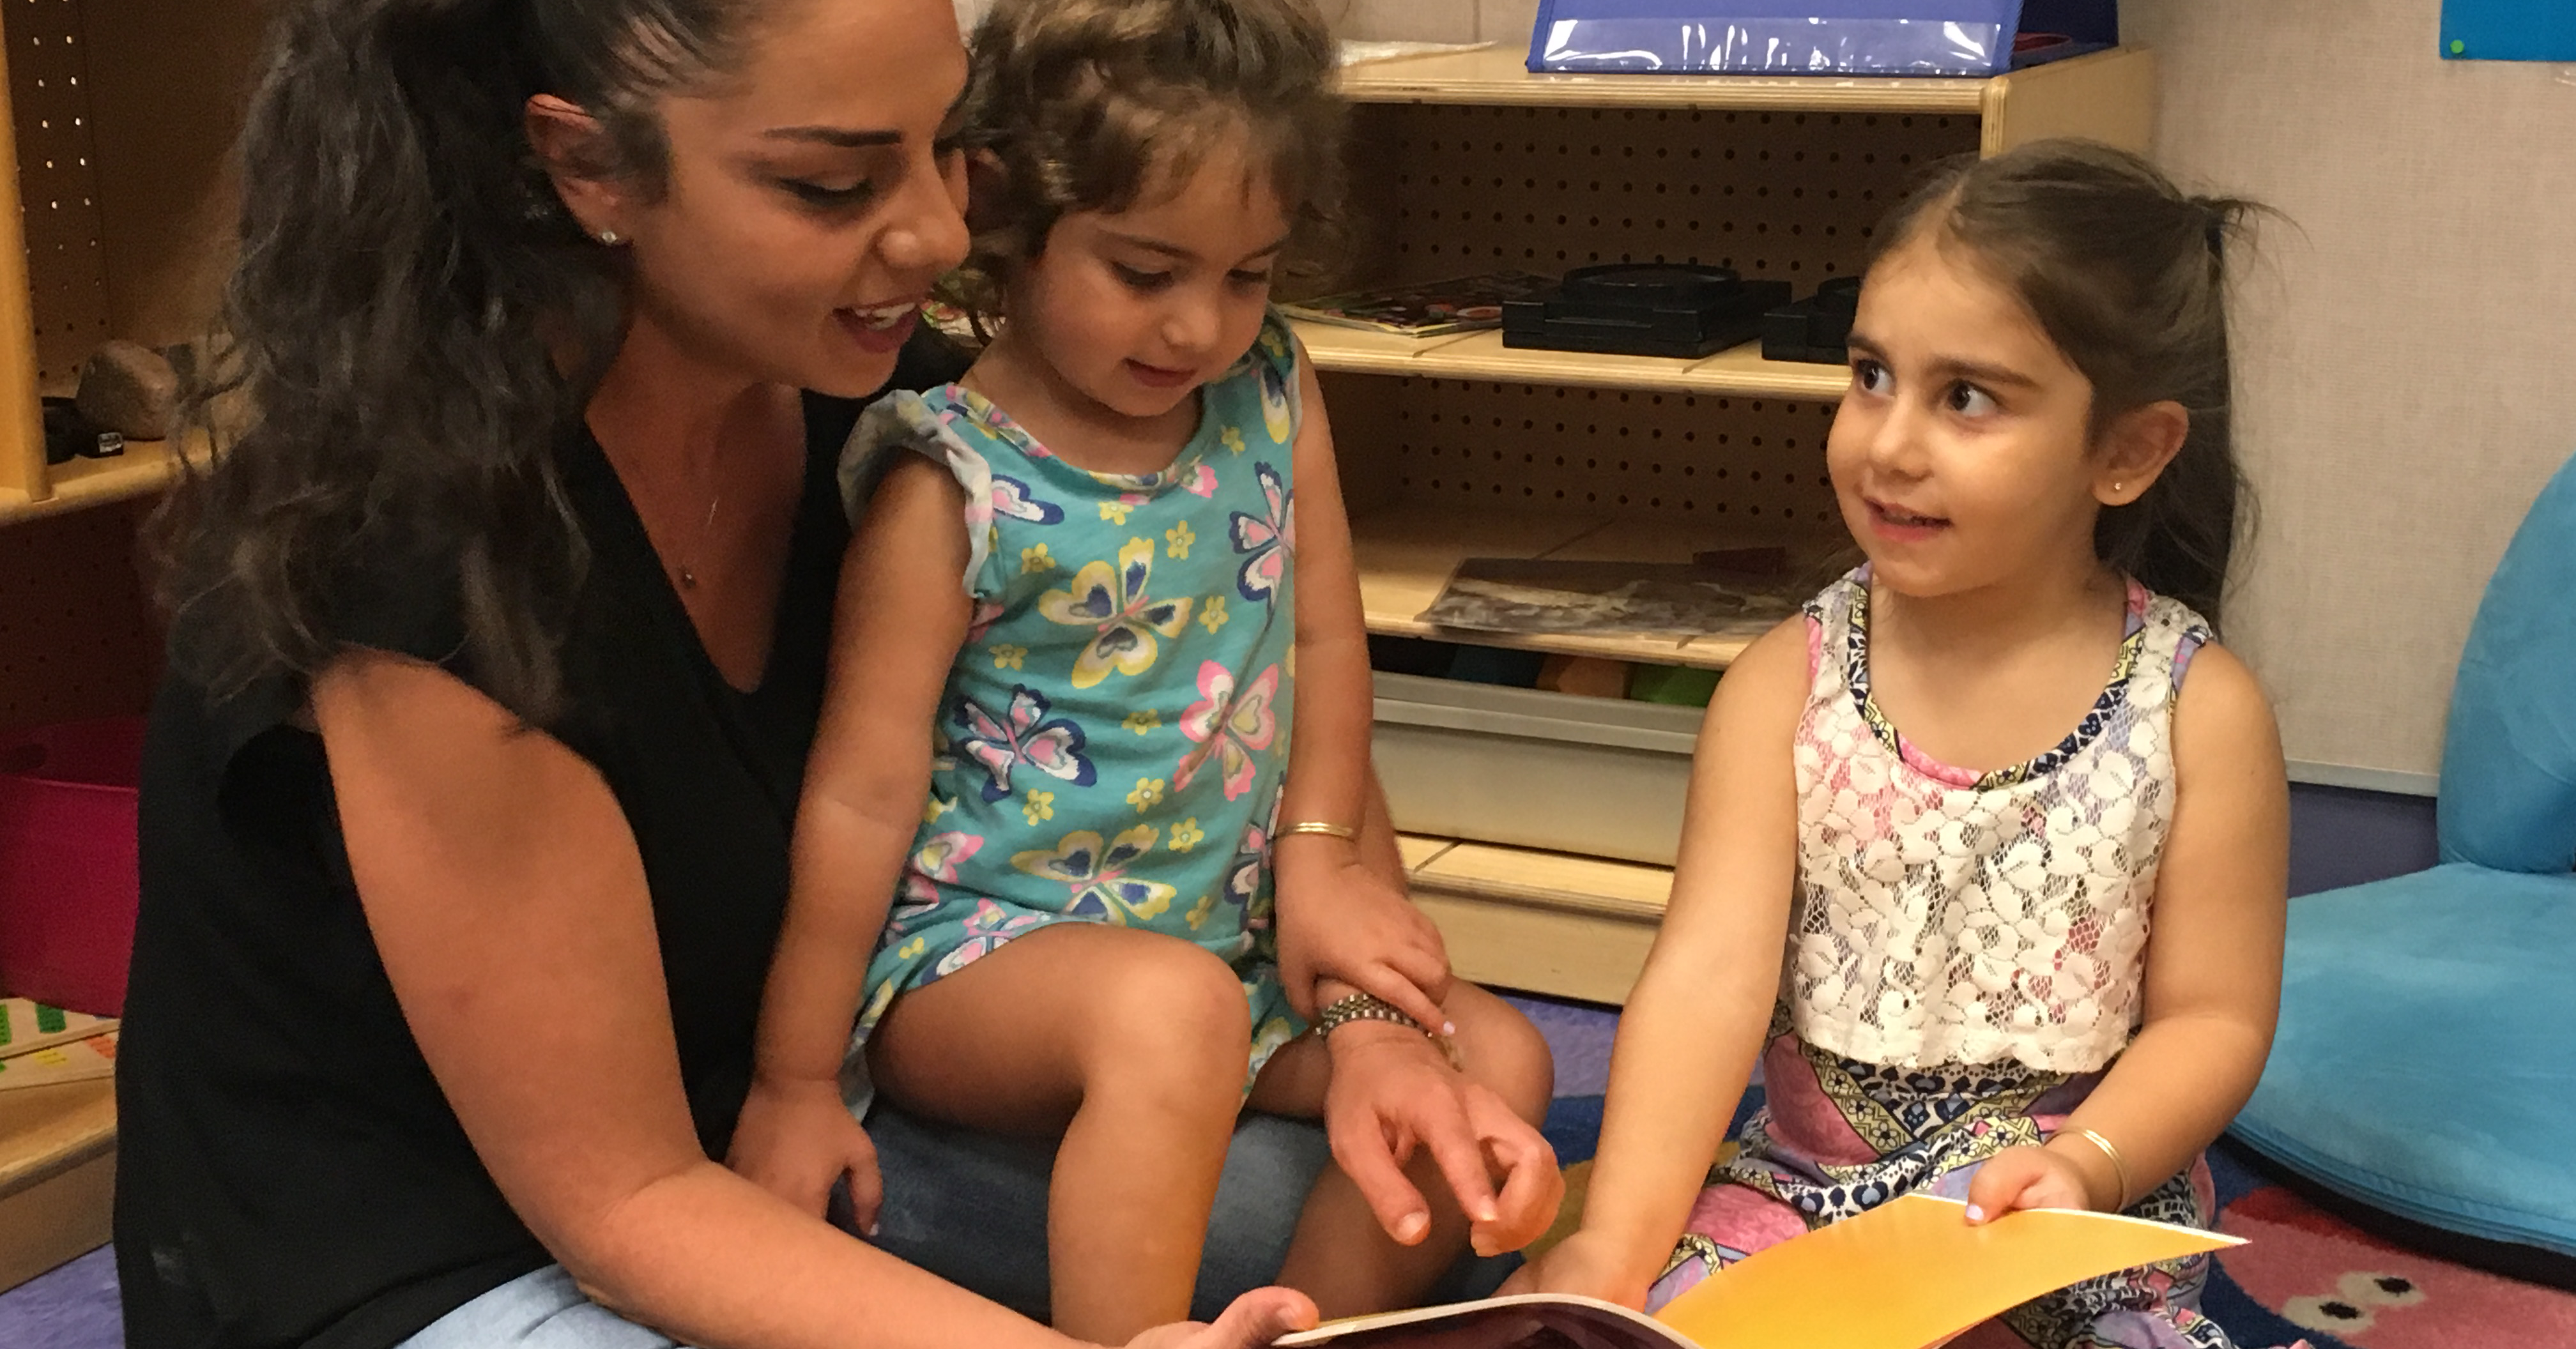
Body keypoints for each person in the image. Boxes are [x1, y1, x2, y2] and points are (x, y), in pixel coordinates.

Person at [114, 0, 1425, 1344]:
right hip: (459, 1250)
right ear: (590, 167)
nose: (943, 236)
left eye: (949, 148)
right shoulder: (417, 558)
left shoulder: (902, 401)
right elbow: (625, 1207)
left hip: (784, 1126)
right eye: (833, 186)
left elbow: (1243, 676)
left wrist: (1364, 990)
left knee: (1428, 1183)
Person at [726, 1, 1561, 1340]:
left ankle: (1309, 1330)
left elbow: (1323, 643)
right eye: (1145, 271)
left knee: (1500, 1056)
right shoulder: (951, 483)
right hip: (982, 963)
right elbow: (859, 797)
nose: (1198, 328)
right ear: (1011, 222)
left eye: (1248, 276)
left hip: (1231, 943)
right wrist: (795, 1081)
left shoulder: (1272, 389)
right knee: (1171, 1017)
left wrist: (1324, 873)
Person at [1512, 141, 2300, 1349]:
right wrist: (1614, 1246)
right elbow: (1706, 982)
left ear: (2128, 453)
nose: (1888, 443)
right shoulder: (1783, 685)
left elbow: (2215, 1019)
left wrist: (2090, 1162)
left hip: (2052, 1214)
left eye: (1967, 397)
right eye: (1872, 375)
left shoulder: (2200, 709)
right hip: (1803, 1199)